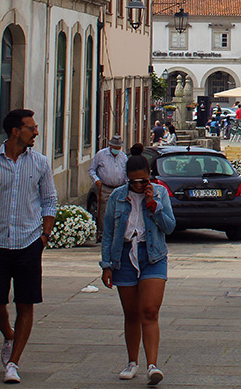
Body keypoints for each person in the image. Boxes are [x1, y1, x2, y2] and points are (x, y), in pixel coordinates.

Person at [0, 109, 57, 384]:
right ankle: (10, 335)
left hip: (28, 242)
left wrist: (44, 236)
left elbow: (49, 200)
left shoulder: (40, 163)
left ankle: (13, 363)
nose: (37, 132)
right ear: (16, 131)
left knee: (26, 302)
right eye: (32, 128)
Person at [101, 144, 176, 385]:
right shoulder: (117, 196)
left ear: (149, 177)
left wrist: (154, 206)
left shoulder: (160, 193)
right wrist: (106, 265)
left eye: (143, 181)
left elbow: (169, 227)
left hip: (152, 255)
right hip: (123, 256)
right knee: (131, 313)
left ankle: (152, 365)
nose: (139, 187)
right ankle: (132, 361)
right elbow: (109, 232)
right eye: (134, 183)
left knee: (150, 311)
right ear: (127, 180)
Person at [88, 134, 127, 242]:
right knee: (104, 211)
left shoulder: (123, 157)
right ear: (110, 146)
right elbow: (91, 170)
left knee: (118, 210)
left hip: (119, 188)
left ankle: (116, 233)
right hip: (105, 187)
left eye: (118, 148)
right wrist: (97, 180)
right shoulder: (101, 154)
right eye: (115, 148)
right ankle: (102, 233)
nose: (117, 150)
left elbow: (126, 173)